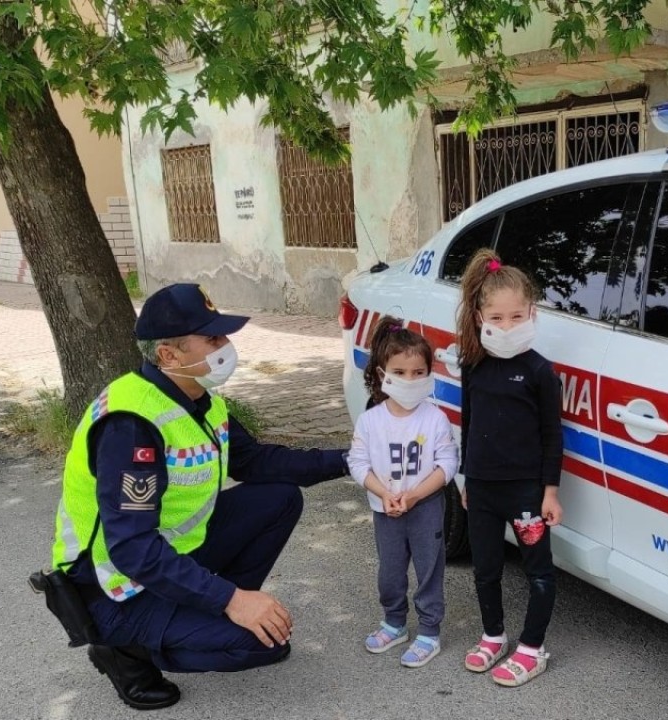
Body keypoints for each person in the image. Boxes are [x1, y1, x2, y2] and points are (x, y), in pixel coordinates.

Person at [46, 283, 350, 710]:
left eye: (222, 336)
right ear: (169, 355)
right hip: (113, 585)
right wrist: (232, 600)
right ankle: (122, 650)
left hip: (172, 551)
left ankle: (208, 610)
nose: (225, 347)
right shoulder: (131, 426)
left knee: (279, 498)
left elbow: (256, 461)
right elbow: (132, 550)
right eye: (212, 339)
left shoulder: (200, 400)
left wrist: (350, 460)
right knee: (259, 646)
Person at [455, 249, 563, 687]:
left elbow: (552, 436)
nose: (506, 326)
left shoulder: (540, 372)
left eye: (517, 317)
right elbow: (468, 422)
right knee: (485, 569)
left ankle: (532, 647)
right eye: (497, 318)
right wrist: (465, 477)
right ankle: (493, 635)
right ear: (480, 314)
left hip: (525, 495)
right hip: (481, 489)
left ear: (532, 313)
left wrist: (549, 491)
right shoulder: (472, 365)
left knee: (538, 570)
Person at [346, 316, 458, 668]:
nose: (411, 380)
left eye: (420, 372)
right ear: (383, 374)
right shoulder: (371, 420)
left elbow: (447, 465)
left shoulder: (435, 418)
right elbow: (358, 462)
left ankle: (428, 631)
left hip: (426, 508)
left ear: (429, 373)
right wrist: (384, 493)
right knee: (390, 571)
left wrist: (413, 496)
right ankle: (394, 623)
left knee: (429, 569)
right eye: (401, 371)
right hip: (386, 510)